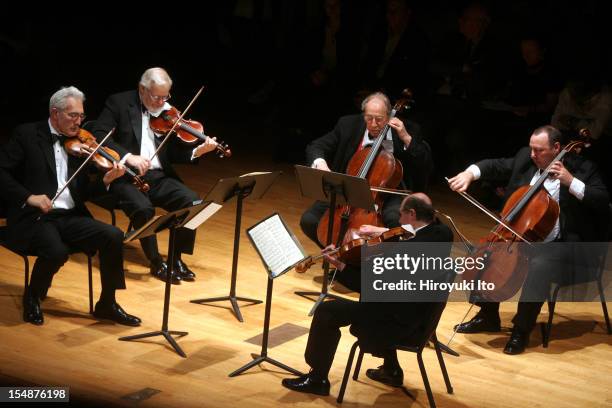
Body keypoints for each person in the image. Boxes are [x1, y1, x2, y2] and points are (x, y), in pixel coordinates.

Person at [448, 125, 610, 354]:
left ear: (556, 148)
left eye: (539, 150)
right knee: (481, 254)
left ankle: (521, 331)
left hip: (565, 247)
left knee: (541, 265)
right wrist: (468, 174)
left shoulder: (583, 168)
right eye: (532, 148)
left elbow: (602, 201)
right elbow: (493, 165)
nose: (533, 154)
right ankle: (488, 315)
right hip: (523, 239)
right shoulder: (526, 158)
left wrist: (570, 181)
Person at [283, 193, 453, 396]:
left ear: (413, 213)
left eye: (401, 215)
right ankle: (391, 369)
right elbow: (411, 232)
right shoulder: (442, 234)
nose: (398, 221)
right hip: (421, 318)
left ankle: (317, 378)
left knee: (327, 311)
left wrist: (339, 265)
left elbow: (365, 284)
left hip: (396, 324)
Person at [0, 86, 141, 327]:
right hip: (35, 216)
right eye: (72, 115)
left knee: (113, 235)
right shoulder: (27, 134)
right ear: (55, 113)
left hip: (70, 216)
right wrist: (29, 197)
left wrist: (105, 181)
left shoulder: (80, 144)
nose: (78, 122)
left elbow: (85, 192)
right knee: (56, 251)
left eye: (81, 116)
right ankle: (33, 296)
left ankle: (107, 303)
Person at [92, 67, 218, 284]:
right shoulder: (119, 103)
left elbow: (174, 153)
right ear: (142, 89)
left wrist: (197, 151)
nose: (162, 102)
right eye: (157, 96)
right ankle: (156, 262)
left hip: (157, 177)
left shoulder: (167, 114)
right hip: (124, 176)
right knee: (143, 209)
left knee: (194, 203)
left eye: (166, 96)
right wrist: (128, 157)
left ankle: (175, 258)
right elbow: (99, 136)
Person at [300, 91, 433, 247]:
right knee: (309, 220)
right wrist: (321, 164)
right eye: (369, 118)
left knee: (394, 222)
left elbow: (425, 164)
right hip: (349, 190)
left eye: (380, 119)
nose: (374, 124)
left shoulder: (408, 129)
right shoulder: (348, 124)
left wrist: (405, 137)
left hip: (387, 192)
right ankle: (338, 256)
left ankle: (377, 262)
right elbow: (316, 146)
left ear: (389, 116)